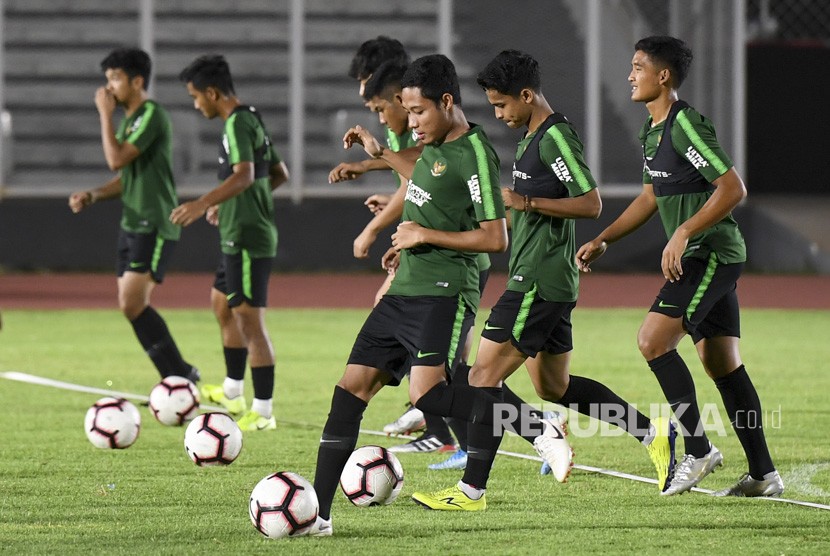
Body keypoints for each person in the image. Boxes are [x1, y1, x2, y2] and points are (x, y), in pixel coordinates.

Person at [307, 54, 572, 537]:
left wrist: (424, 236)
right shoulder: (434, 147)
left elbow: (495, 238)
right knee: (349, 391)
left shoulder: (475, 154)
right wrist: (377, 155)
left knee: (427, 394)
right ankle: (318, 518)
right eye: (406, 112)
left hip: (445, 291)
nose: (411, 123)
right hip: (404, 288)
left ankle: (536, 427)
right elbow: (423, 172)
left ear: (447, 102)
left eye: (418, 112)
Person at [412, 50, 677, 511]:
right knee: (554, 388)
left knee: (480, 377)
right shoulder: (531, 135)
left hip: (537, 279)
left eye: (501, 105)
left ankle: (472, 490)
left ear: (527, 95)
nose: (498, 114)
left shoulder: (555, 136)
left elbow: (591, 202)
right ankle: (653, 433)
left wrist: (525, 204)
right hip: (544, 279)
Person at [576, 36, 783, 497]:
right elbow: (651, 197)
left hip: (710, 254)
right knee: (722, 363)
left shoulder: (685, 124)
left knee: (651, 340)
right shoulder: (652, 132)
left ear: (663, 76)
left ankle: (698, 448)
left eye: (637, 67)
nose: (630, 75)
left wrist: (685, 231)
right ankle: (765, 475)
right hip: (706, 254)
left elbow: (732, 188)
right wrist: (604, 238)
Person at [171, 55, 289, 432]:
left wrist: (205, 202)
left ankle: (264, 410)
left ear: (211, 92)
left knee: (249, 321)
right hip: (236, 233)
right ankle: (233, 391)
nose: (196, 104)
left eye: (195, 97)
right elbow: (278, 174)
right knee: (221, 306)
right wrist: (236, 204)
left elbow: (244, 175)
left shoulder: (238, 123)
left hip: (249, 240)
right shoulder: (249, 117)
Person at [68, 47, 198, 384]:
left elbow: (116, 159)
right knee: (130, 306)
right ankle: (177, 378)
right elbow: (126, 175)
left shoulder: (151, 114)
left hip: (154, 222)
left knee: (132, 302)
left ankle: (180, 376)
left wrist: (103, 115)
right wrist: (95, 194)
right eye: (106, 79)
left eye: (115, 78)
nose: (108, 87)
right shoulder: (132, 119)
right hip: (132, 222)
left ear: (137, 81)